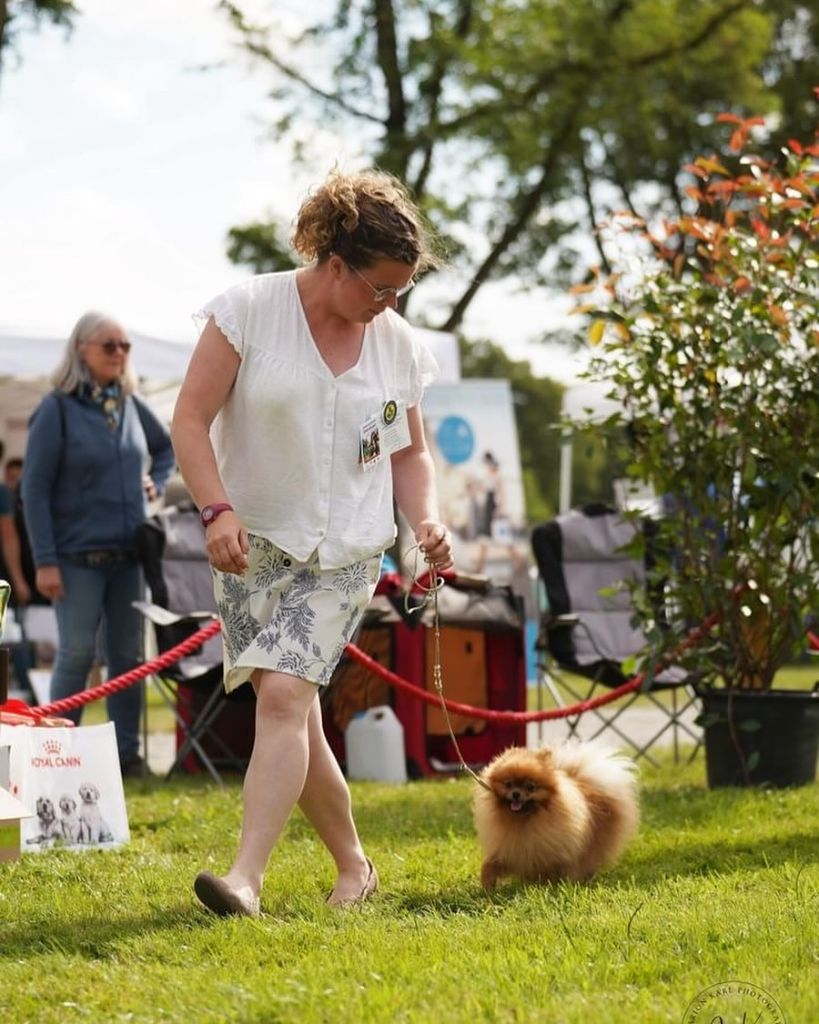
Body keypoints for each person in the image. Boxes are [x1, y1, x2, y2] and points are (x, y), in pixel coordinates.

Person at [172, 168, 454, 918]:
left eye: (399, 292)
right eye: (378, 288)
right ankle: (355, 867)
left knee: (287, 695)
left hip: (348, 549)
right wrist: (215, 510)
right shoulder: (247, 311)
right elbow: (191, 420)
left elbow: (408, 454)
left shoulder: (395, 345)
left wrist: (424, 520)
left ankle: (245, 880)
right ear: (334, 263)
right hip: (248, 541)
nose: (387, 304)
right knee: (287, 709)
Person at [21, 312, 175, 777]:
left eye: (125, 346)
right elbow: (35, 489)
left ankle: (126, 758)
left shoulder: (130, 403)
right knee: (76, 654)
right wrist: (45, 561)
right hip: (75, 560)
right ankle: (54, 760)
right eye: (109, 345)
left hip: (130, 558)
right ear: (81, 349)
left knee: (128, 660)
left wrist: (157, 482)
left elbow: (165, 448)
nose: (119, 353)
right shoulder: (58, 408)